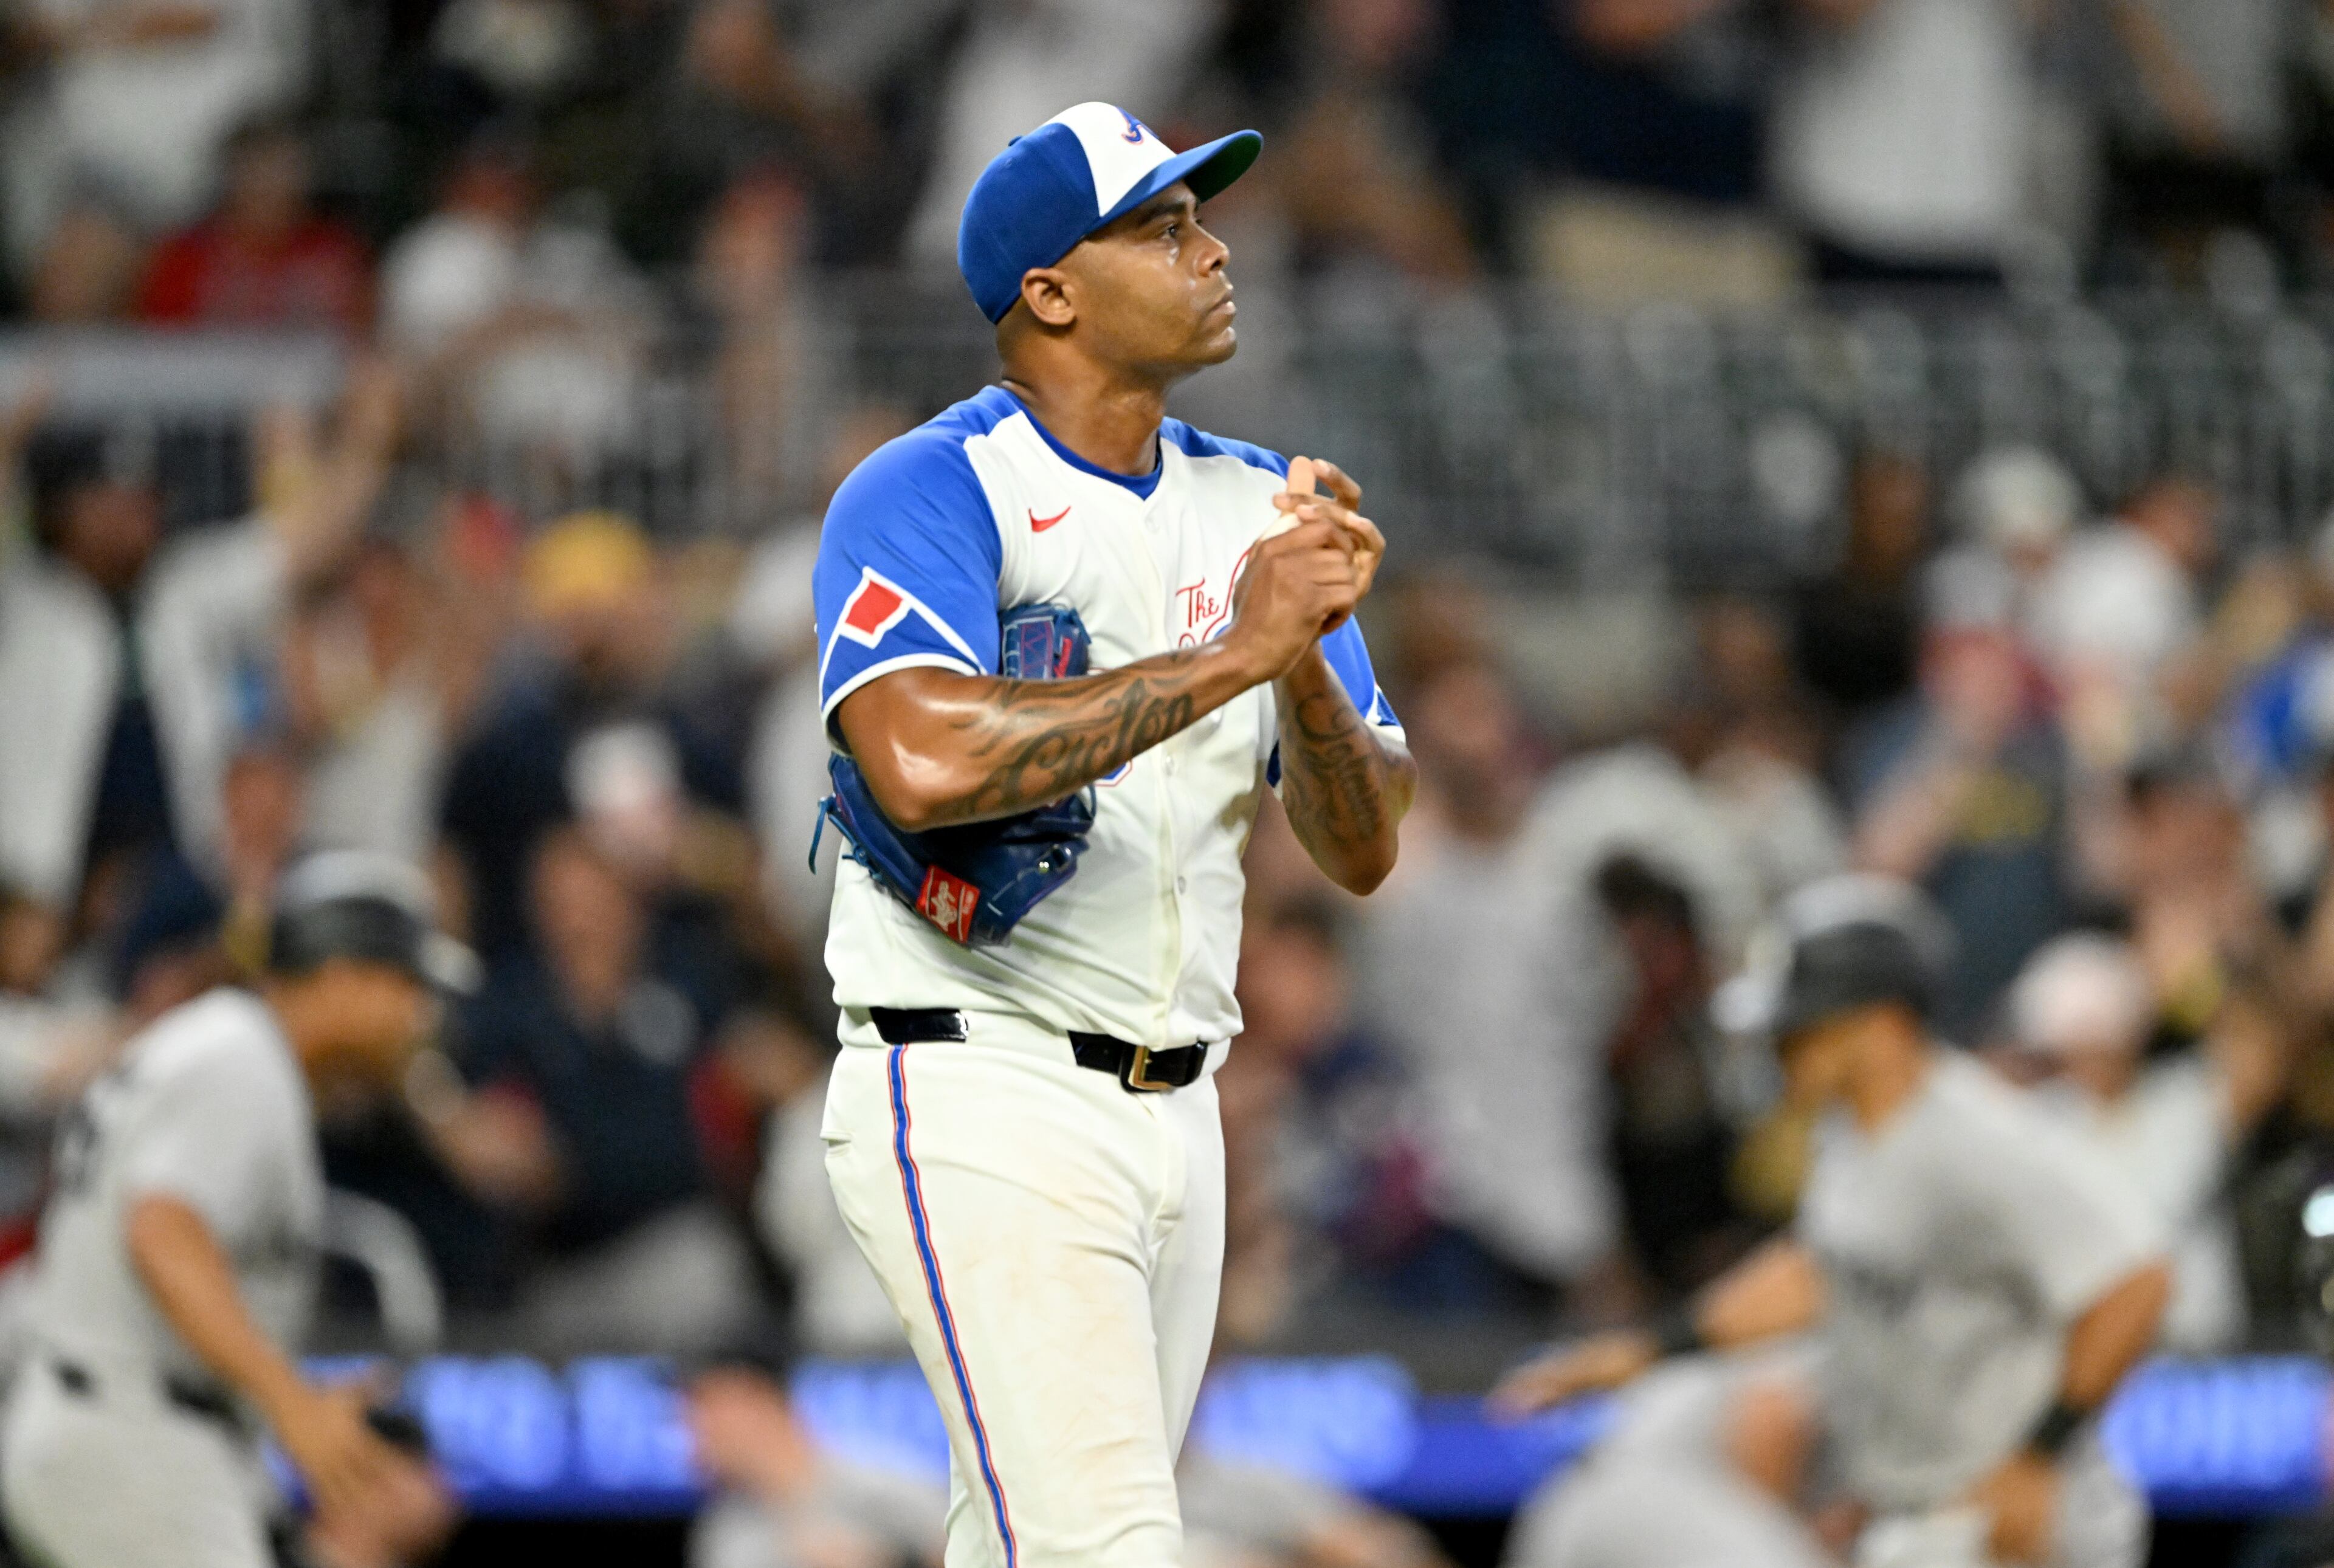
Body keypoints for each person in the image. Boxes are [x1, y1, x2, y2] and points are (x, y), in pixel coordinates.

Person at [812, 103, 1414, 1568]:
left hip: (1182, 1110)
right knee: (1109, 1549)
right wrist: (1233, 651)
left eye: (1200, 221)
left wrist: (1298, 663)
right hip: (984, 1077)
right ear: (1051, 291)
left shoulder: (1253, 502)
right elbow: (916, 757)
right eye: (1161, 228)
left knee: (1025, 1542)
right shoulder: (936, 485)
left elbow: (1364, 843)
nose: (1213, 252)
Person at [1498, 875, 2171, 1568]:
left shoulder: (1976, 1138)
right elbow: (1819, 1270)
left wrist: (2037, 1458)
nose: (1781, 1046)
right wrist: (1650, 1350)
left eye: (1803, 1027)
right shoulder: (1850, 1132)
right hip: (1935, 1511)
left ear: (1881, 1028)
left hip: (2026, 1521)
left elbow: (2137, 1280)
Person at [0, 851, 475, 1568]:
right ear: (340, 973)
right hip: (130, 1431)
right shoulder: (242, 1063)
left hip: (123, 1423)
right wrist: (290, 1402)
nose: (421, 1016)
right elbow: (162, 1229)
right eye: (407, 986)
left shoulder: (231, 1050)